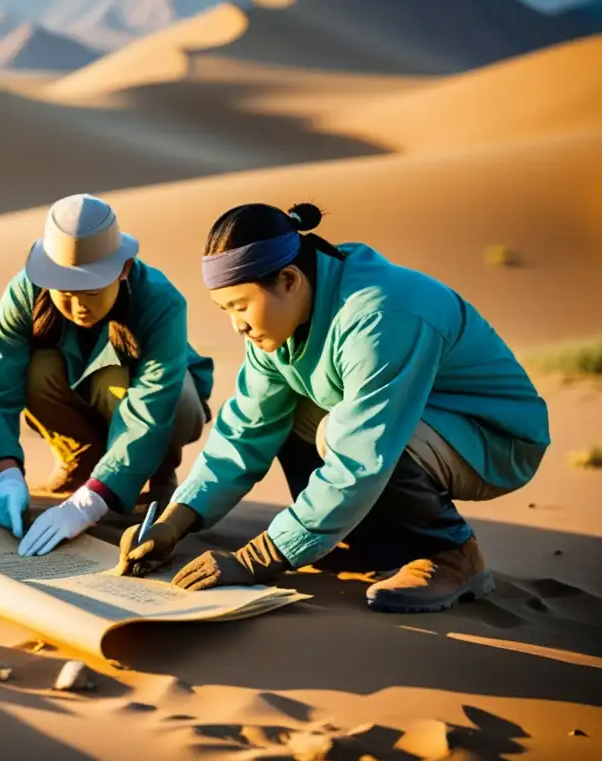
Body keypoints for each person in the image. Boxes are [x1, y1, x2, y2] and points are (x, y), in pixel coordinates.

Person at [115, 202, 551, 612]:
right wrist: (176, 520)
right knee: (288, 415)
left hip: (493, 439)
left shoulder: (378, 316)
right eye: (225, 310)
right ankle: (357, 537)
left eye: (241, 306)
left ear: (289, 280)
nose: (238, 325)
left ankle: (450, 552)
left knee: (341, 431)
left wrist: (259, 558)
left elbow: (363, 453)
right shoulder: (278, 326)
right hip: (406, 425)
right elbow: (244, 432)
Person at [0, 193, 214, 556]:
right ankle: (81, 461)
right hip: (73, 395)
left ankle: (153, 476)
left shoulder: (160, 300)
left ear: (124, 269)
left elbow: (152, 408)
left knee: (173, 399)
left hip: (153, 407)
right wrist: (4, 472)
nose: (79, 305)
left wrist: (89, 504)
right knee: (38, 369)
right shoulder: (25, 292)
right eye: (65, 291)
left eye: (93, 291)